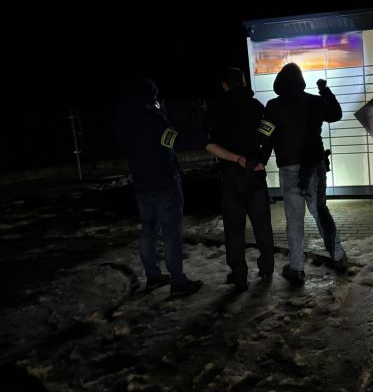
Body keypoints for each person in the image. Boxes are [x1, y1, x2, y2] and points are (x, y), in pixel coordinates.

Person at [256, 63, 348, 281]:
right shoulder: (315, 101)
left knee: (294, 219)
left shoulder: (274, 105)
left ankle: (296, 267)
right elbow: (336, 114)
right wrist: (324, 90)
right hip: (315, 165)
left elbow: (265, 137)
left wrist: (260, 161)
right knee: (320, 211)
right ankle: (338, 256)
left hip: (289, 168)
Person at [115, 76, 205, 296]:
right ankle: (178, 282)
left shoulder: (123, 118)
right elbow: (174, 141)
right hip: (164, 182)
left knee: (148, 232)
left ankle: (153, 277)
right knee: (172, 234)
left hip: (142, 185)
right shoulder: (151, 118)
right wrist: (205, 137)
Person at [203, 68, 274, 292]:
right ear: (244, 83)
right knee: (262, 223)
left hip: (231, 175)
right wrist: (261, 161)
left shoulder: (216, 108)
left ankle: (239, 275)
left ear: (224, 85)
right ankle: (267, 268)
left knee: (234, 226)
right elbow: (269, 136)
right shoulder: (257, 106)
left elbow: (210, 144)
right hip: (256, 172)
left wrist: (236, 159)